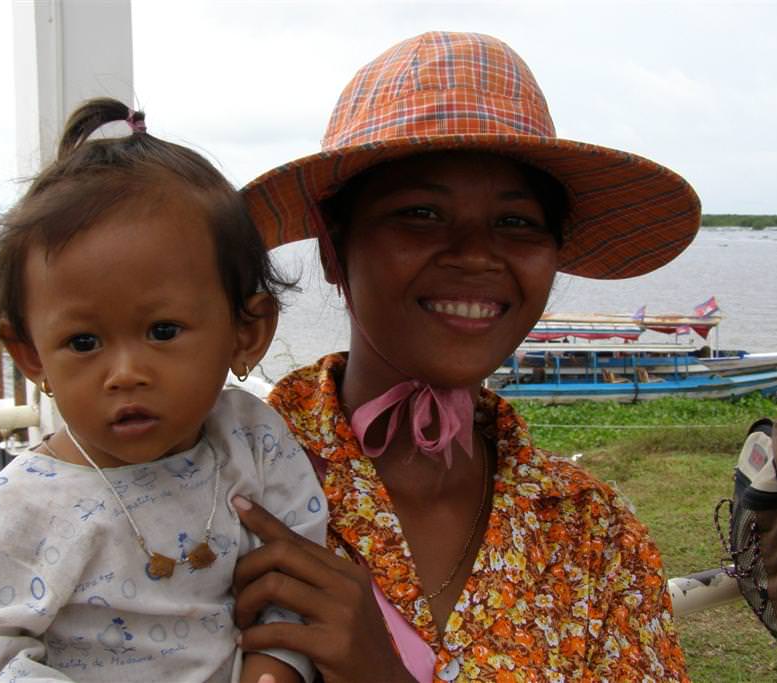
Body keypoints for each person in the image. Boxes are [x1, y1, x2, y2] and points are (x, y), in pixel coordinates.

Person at [230, 32, 699, 682]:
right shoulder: (223, 480)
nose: (477, 254)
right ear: (337, 252)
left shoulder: (598, 540)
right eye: (420, 213)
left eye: (517, 223)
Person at [0, 99, 326, 683]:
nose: (125, 373)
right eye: (84, 343)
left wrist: (274, 666)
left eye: (163, 331)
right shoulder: (14, 518)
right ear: (32, 354)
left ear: (247, 331)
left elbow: (297, 576)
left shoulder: (252, 442)